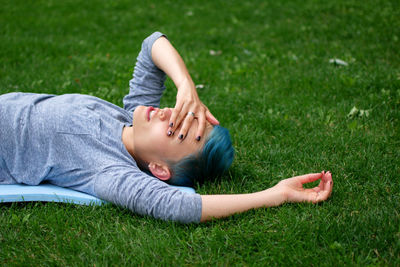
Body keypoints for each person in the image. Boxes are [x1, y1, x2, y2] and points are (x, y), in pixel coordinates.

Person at [0, 32, 333, 223]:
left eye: (177, 132)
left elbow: (179, 206)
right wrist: (186, 85)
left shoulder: (109, 171)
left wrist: (275, 194)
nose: (170, 116)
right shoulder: (129, 117)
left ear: (159, 169)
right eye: (183, 115)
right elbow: (152, 44)